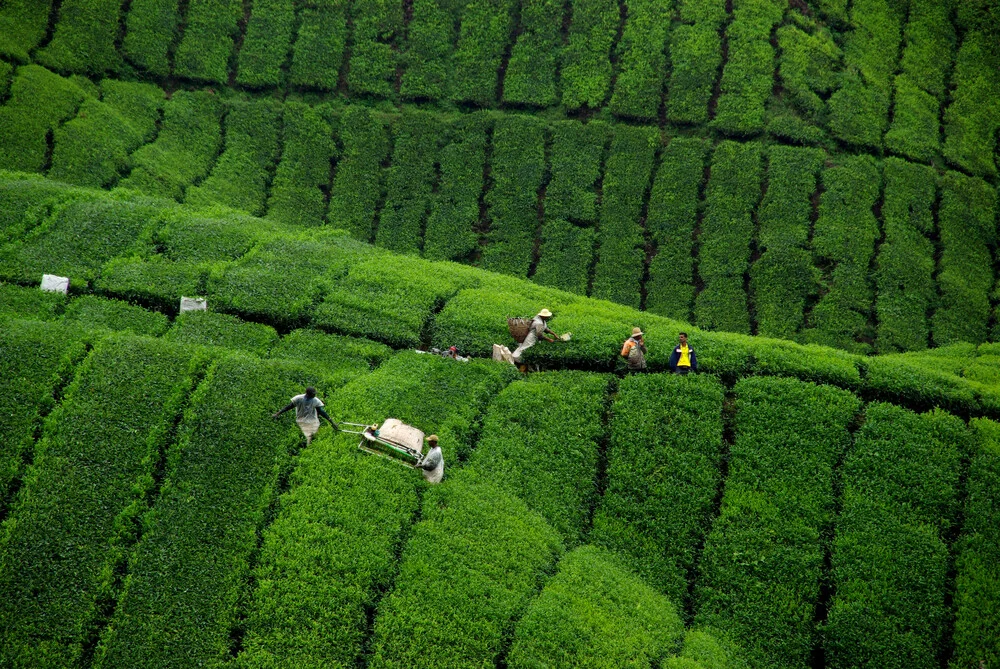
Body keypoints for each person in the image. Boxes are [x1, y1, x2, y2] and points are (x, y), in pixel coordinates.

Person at [272, 387, 338, 444]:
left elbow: (321, 412)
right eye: (313, 394)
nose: (314, 395)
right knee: (309, 435)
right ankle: (307, 446)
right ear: (308, 394)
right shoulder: (298, 398)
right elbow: (289, 407)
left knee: (313, 434)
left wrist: (332, 422)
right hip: (301, 420)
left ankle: (308, 444)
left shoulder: (315, 400)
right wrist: (278, 413)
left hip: (312, 420)